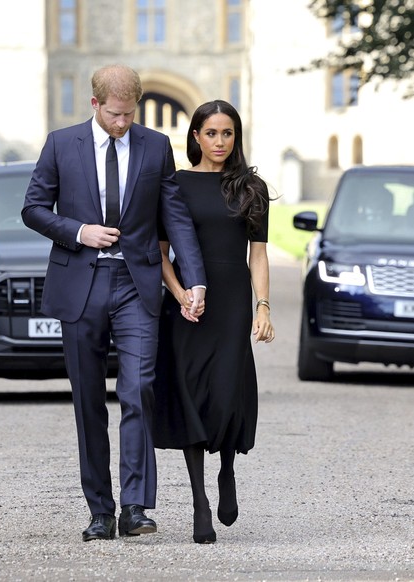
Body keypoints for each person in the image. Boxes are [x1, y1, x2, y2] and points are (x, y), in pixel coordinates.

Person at [22, 65, 206, 541]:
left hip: (136, 283)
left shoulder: (155, 146)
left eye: (129, 114)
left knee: (139, 389)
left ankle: (136, 507)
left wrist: (194, 279)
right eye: (115, 114)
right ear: (95, 104)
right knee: (88, 400)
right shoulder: (61, 144)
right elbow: (34, 208)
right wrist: (79, 232)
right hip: (80, 282)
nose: (123, 123)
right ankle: (99, 510)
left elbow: (176, 217)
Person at [152, 99, 274, 544]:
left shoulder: (251, 188)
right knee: (191, 394)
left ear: (235, 137)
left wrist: (263, 306)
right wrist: (180, 292)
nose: (220, 141)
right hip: (188, 303)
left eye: (227, 133)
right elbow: (161, 252)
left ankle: (227, 468)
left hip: (232, 302)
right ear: (196, 137)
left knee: (224, 392)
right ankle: (199, 501)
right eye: (211, 133)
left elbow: (258, 255)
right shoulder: (176, 185)